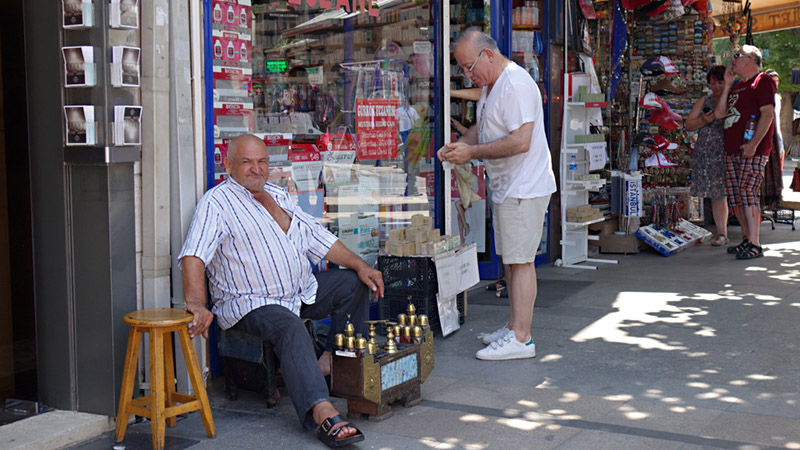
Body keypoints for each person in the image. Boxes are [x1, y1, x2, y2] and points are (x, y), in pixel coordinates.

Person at [179, 134, 384, 447]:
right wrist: (196, 303)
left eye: (262, 162)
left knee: (355, 283)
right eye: (247, 162)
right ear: (228, 164)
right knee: (288, 324)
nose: (256, 169)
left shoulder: (279, 194)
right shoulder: (216, 203)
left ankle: (329, 361)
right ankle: (322, 410)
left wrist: (361, 265)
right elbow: (194, 254)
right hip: (251, 303)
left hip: (298, 291)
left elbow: (319, 239)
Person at [437, 29, 556, 360]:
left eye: (468, 66)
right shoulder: (492, 85)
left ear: (488, 55)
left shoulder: (515, 85)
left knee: (521, 262)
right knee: (512, 260)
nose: (467, 74)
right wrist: (464, 144)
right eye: (461, 68)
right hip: (508, 185)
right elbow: (485, 127)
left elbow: (520, 142)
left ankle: (522, 338)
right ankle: (514, 327)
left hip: (523, 185)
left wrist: (471, 153)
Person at [714, 45, 776, 260]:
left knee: (748, 191)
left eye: (737, 56)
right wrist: (728, 85)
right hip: (731, 150)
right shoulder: (737, 86)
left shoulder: (762, 81)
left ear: (751, 60)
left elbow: (767, 114)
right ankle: (747, 238)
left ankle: (755, 243)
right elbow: (720, 113)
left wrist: (754, 145)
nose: (733, 59)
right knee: (736, 196)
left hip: (752, 149)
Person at [684, 65, 729, 246]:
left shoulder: (733, 99)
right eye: (713, 83)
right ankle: (705, 230)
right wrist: (703, 120)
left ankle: (724, 232)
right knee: (705, 192)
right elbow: (688, 124)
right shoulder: (705, 101)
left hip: (725, 151)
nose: (716, 86)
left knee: (721, 194)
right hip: (705, 152)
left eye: (720, 82)